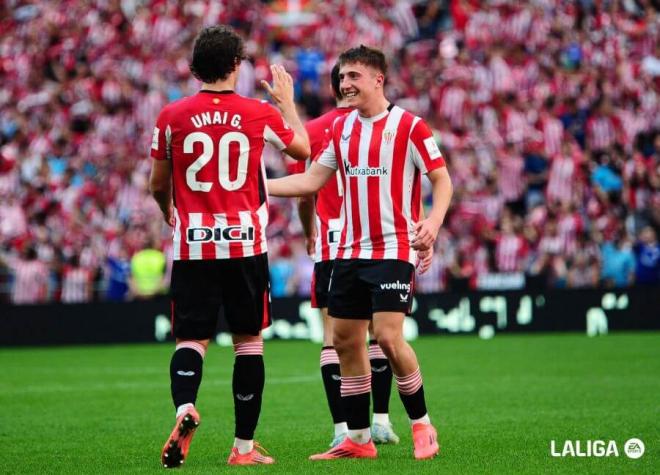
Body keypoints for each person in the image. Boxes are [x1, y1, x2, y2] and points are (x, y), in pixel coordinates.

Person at [268, 45, 452, 461]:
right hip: (348, 251)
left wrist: (434, 222)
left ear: (377, 80)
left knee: (387, 336)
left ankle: (422, 425)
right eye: (342, 78)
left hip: (393, 248)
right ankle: (357, 438)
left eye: (353, 76)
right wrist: (258, 187)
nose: (345, 84)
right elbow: (312, 180)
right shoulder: (341, 129)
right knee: (346, 342)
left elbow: (443, 181)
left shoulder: (410, 126)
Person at [149, 26, 309, 468]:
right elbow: (304, 147)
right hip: (244, 245)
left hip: (193, 245)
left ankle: (185, 409)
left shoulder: (172, 115)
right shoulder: (257, 113)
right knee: (248, 343)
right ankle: (242, 448)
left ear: (194, 67)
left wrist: (168, 210)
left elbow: (157, 183)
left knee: (191, 339)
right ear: (236, 66)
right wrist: (287, 104)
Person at [296, 63, 404, 448]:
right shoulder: (385, 125)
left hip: (332, 242)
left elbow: (306, 191)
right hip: (380, 240)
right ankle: (381, 420)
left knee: (334, 339)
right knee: (384, 335)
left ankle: (343, 429)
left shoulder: (314, 130)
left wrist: (310, 231)